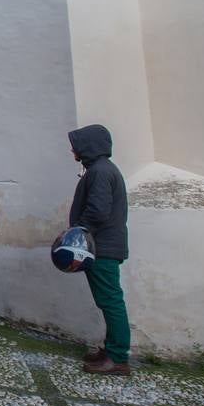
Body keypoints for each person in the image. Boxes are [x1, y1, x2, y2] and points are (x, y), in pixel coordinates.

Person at [68, 124, 131, 376]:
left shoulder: (101, 172)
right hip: (102, 245)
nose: (73, 149)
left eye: (77, 144)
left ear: (89, 146)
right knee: (108, 300)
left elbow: (98, 210)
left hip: (102, 247)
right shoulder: (100, 170)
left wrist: (77, 233)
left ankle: (117, 357)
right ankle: (111, 350)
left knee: (111, 301)